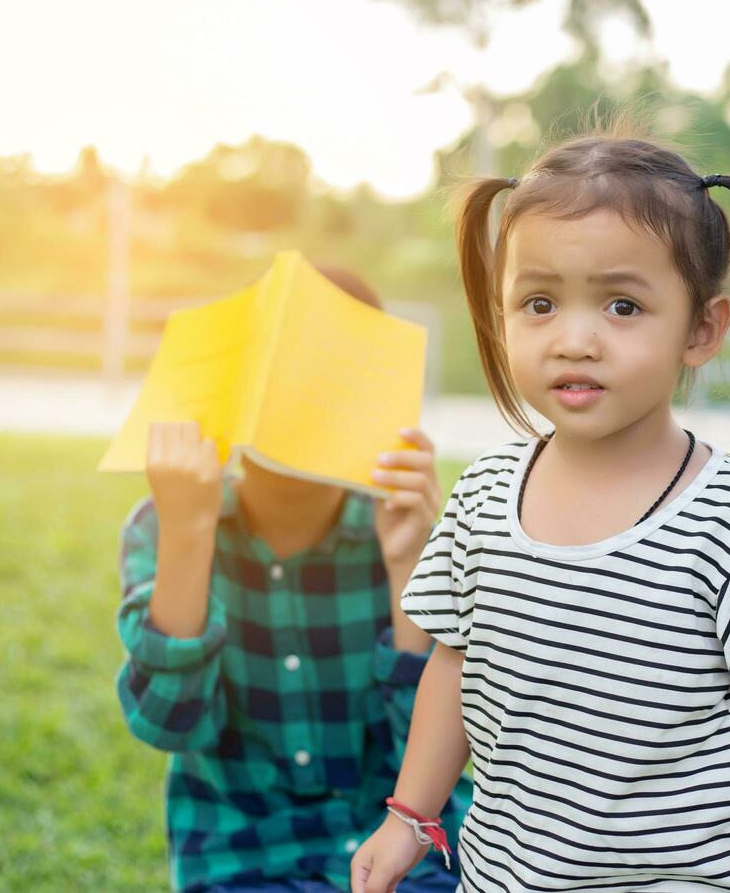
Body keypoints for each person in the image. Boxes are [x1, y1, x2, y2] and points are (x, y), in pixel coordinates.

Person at [349, 114, 730, 893]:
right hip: (511, 875)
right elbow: (454, 666)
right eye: (539, 304)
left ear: (701, 329)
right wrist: (410, 815)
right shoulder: (485, 494)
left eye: (621, 307)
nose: (575, 339)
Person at [114, 267, 471, 893]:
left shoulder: (406, 532)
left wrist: (407, 561)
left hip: (402, 847)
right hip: (241, 858)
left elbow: (436, 744)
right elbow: (170, 723)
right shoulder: (161, 526)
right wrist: (190, 535)